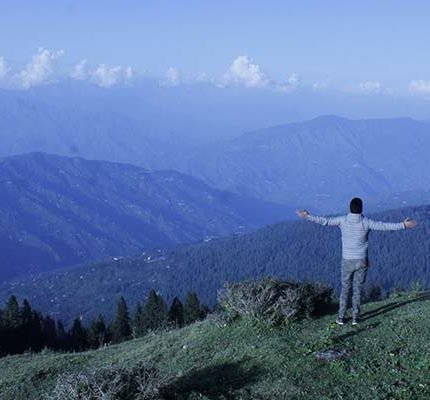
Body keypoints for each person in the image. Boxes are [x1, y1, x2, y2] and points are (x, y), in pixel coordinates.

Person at [297, 197, 417, 326]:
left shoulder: (342, 220)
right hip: (361, 261)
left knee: (345, 289)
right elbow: (385, 226)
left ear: (350, 208)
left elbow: (325, 221)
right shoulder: (366, 222)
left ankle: (341, 317)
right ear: (361, 208)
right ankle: (355, 318)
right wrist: (404, 225)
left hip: (347, 260)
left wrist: (307, 216)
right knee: (357, 290)